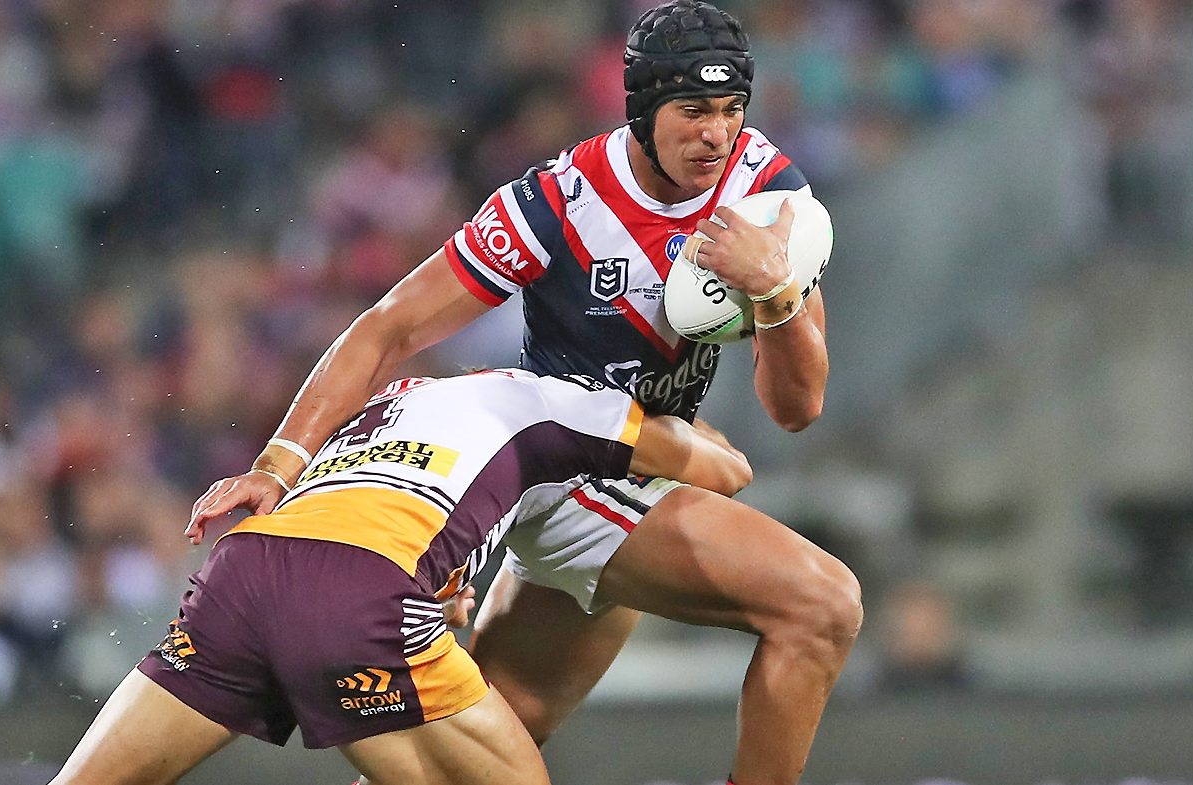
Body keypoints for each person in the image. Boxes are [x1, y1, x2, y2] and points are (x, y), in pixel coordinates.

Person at [190, 3, 863, 784]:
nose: (716, 134)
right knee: (822, 606)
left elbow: (797, 407)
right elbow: (389, 327)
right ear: (643, 110)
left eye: (730, 109)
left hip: (643, 469)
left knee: (472, 758)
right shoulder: (558, 201)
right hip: (569, 470)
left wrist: (777, 293)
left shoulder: (769, 193)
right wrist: (277, 463)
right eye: (693, 111)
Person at [48, 368, 751, 785]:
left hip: (242, 573)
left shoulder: (394, 400)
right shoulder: (557, 401)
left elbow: (377, 510)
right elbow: (723, 471)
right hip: (360, 592)